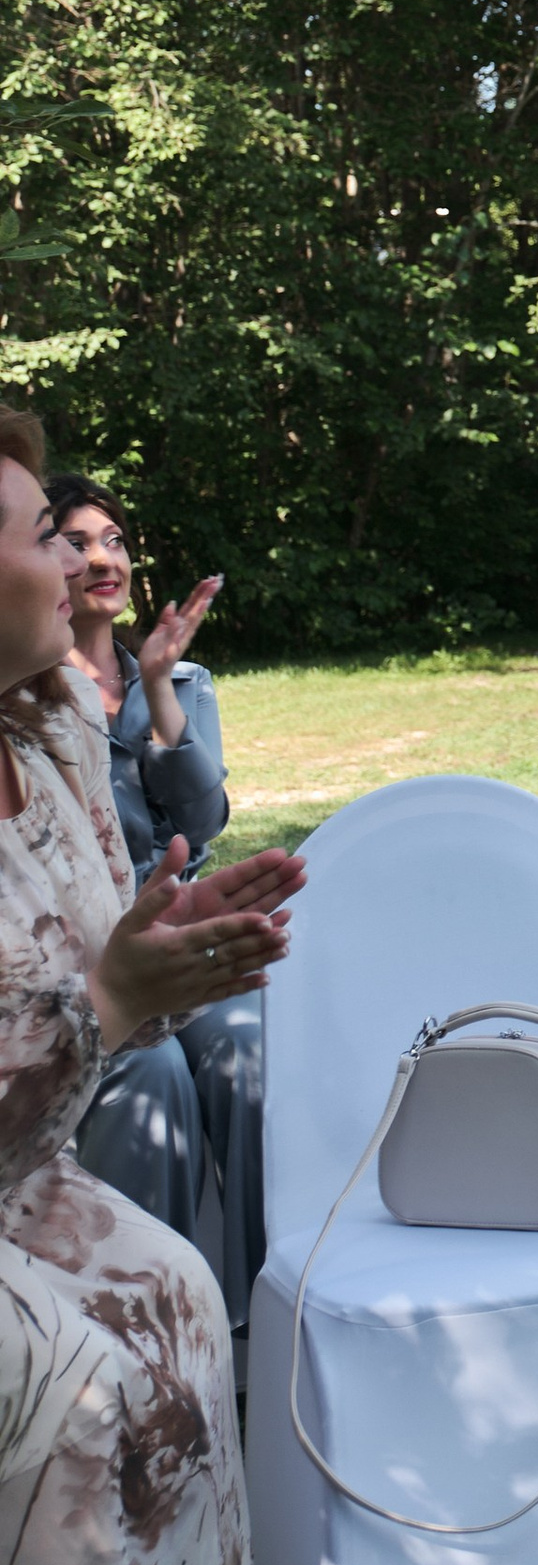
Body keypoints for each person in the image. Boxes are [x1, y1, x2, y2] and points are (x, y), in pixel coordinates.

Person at [0, 405, 299, 1565]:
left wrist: (170, 953)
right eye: (45, 529)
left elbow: (102, 943)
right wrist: (119, 1004)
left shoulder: (48, 723)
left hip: (22, 1157)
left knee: (174, 1289)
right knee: (57, 1373)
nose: (74, 552)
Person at [47, 481, 266, 1324]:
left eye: (115, 538)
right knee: (158, 1077)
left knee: (249, 1056)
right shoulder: (25, 689)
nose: (103, 558)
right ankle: (159, 1323)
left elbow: (204, 818)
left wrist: (159, 688)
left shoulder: (184, 676)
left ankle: (257, 1312)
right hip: (96, 942)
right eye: (75, 541)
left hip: (190, 927)